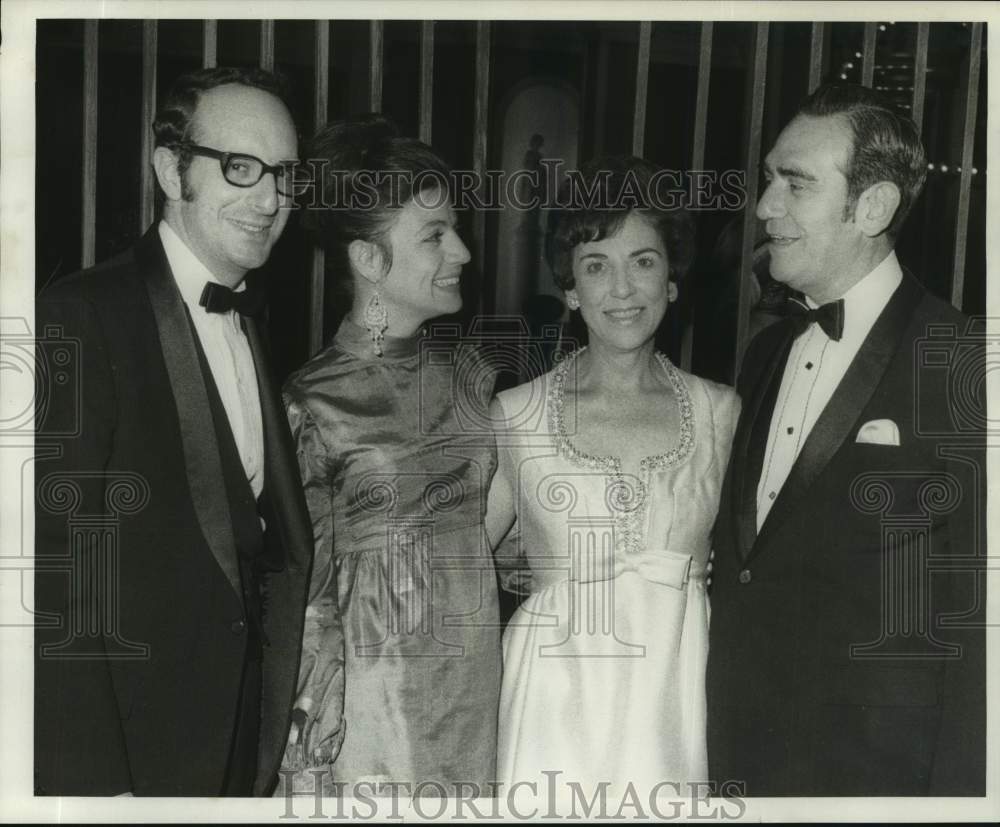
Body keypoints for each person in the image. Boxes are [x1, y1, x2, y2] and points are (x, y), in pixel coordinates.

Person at [34, 67, 313, 796]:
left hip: (236, 741)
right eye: (241, 168)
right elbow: (53, 577)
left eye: (284, 174)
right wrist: (95, 786)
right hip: (130, 754)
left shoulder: (251, 319)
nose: (269, 199)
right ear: (170, 168)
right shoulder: (79, 316)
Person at [706, 83, 986, 796]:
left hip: (879, 779)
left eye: (793, 183)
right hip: (738, 758)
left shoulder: (963, 361)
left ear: (873, 207)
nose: (765, 206)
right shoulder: (763, 354)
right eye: (769, 178)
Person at [486, 157, 740, 801]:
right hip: (554, 702)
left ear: (673, 280)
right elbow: (458, 564)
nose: (622, 289)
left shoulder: (722, 411)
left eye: (644, 262)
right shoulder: (516, 414)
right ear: (570, 290)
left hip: (679, 698)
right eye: (597, 266)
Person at [281, 116, 501, 793]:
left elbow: (511, 541)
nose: (462, 251)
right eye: (435, 236)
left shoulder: (476, 380)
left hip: (476, 697)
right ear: (368, 260)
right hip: (375, 718)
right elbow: (304, 597)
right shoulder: (312, 401)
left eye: (454, 230)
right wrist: (313, 749)